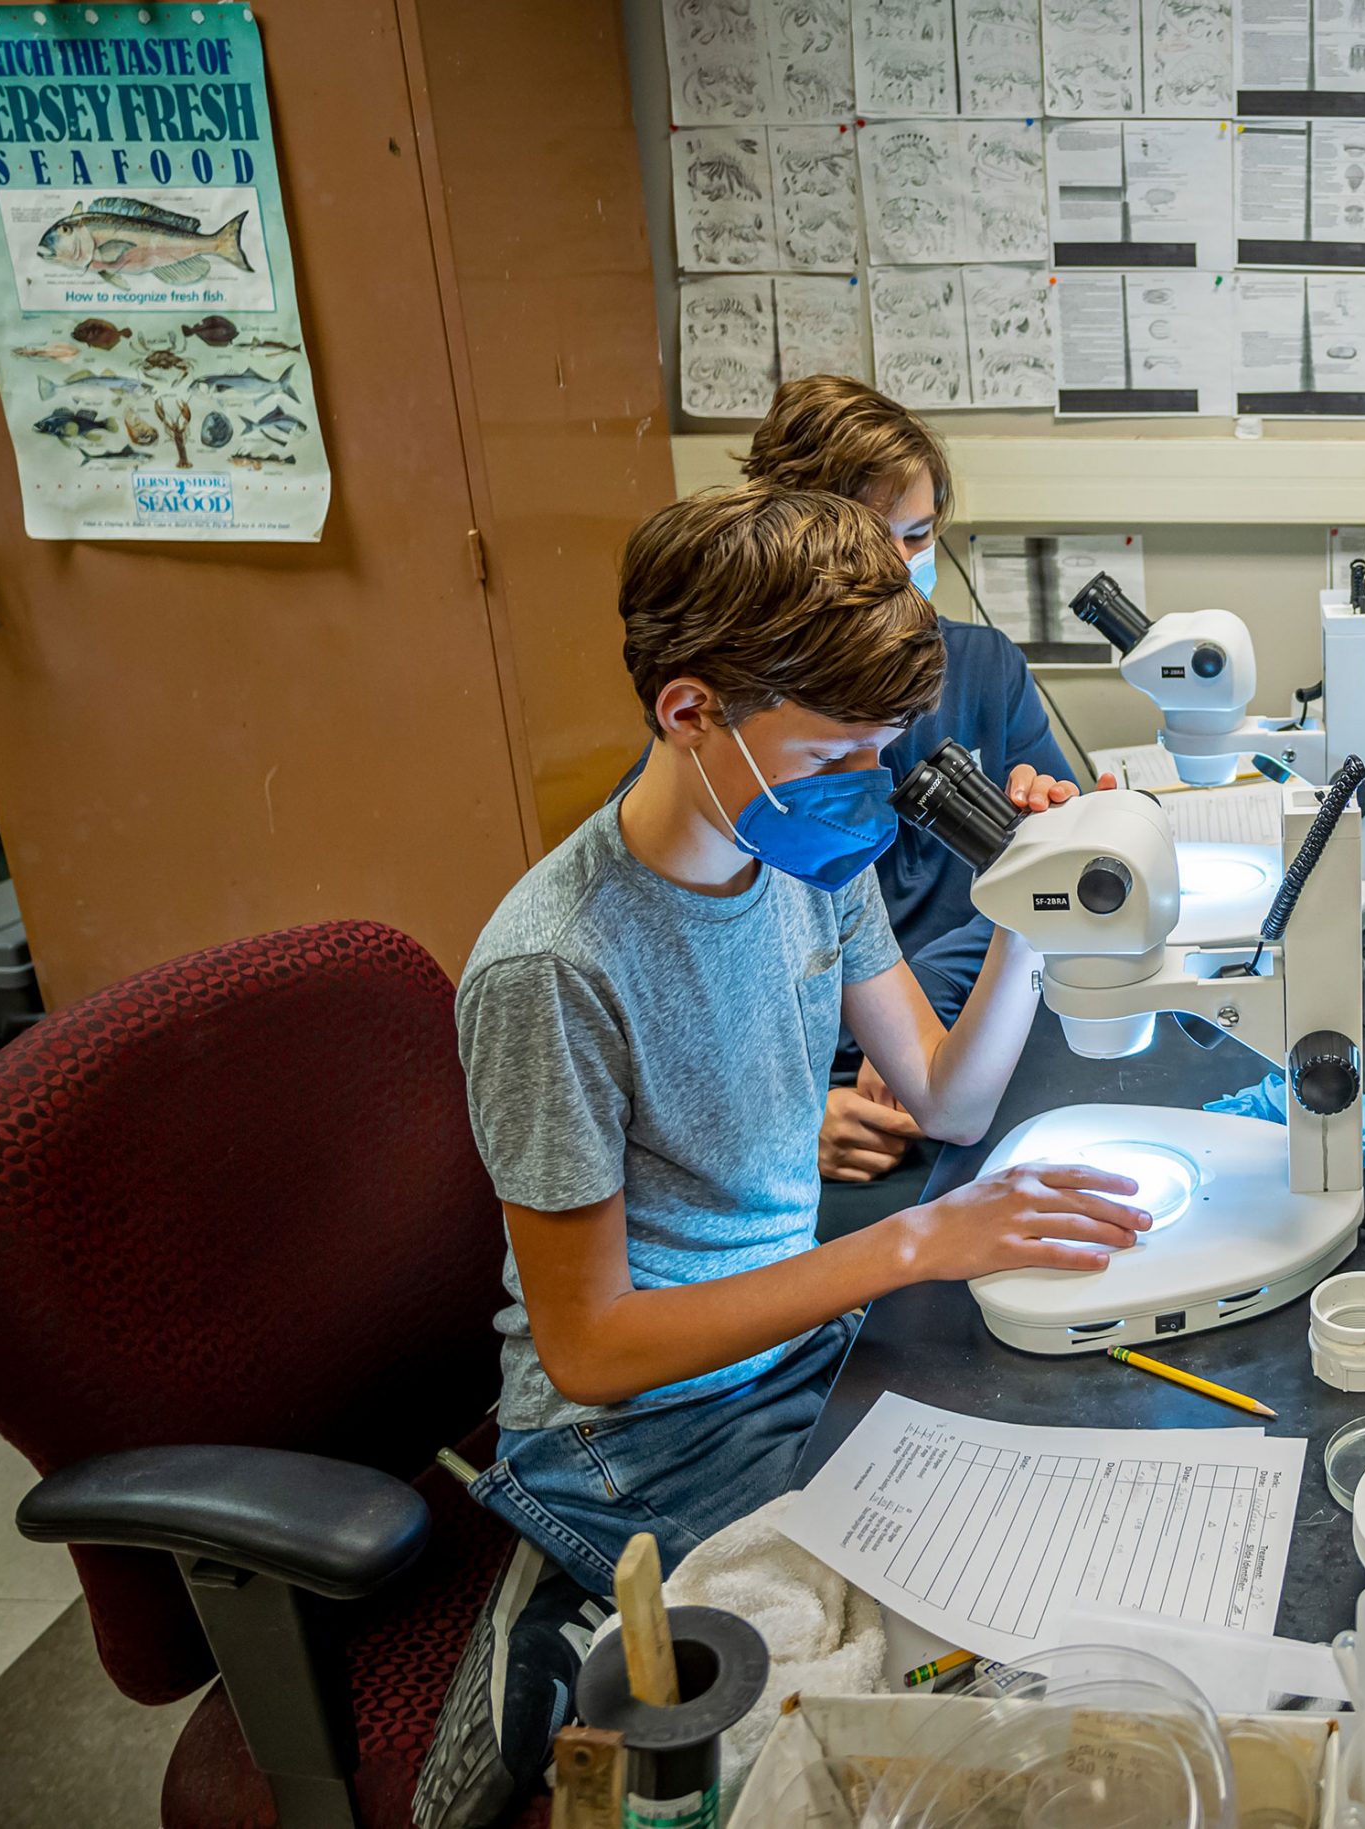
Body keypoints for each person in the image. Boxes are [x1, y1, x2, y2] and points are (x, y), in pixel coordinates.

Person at [458, 484, 1144, 1588]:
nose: (864, 793)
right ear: (690, 711)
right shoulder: (555, 965)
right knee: (961, 1600)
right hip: (638, 1429)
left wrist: (1031, 907)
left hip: (797, 1336)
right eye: (831, 759)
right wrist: (911, 1244)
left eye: (880, 754)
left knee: (1074, 1477)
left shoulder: (802, 857)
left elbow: (950, 1100)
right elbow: (588, 1348)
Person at [620, 375, 1106, 1187]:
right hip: (807, 1106)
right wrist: (797, 1115)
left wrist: (1036, 888)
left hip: (942, 1044)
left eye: (918, 538)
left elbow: (951, 1099)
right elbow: (665, 1099)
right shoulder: (724, 816)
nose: (898, 571)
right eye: (830, 756)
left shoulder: (972, 676)